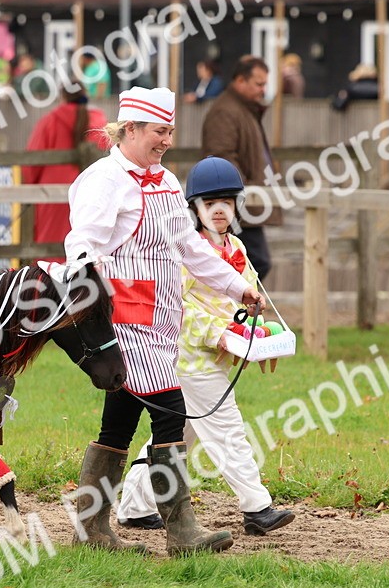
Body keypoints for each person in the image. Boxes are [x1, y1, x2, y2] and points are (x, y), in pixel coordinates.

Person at [65, 86, 264, 556]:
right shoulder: (103, 180)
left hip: (160, 323)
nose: (167, 140)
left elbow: (191, 249)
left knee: (119, 422)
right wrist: (88, 306)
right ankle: (182, 533)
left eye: (171, 131)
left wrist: (238, 287)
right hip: (121, 322)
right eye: (160, 131)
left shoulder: (169, 183)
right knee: (171, 409)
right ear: (129, 129)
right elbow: (82, 245)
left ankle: (91, 530)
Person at [115, 156, 295, 536]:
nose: (218, 210)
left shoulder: (238, 249)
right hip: (189, 359)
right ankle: (256, 506)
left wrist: (259, 333)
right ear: (193, 208)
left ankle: (134, 505)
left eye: (226, 202)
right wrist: (219, 333)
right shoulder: (186, 252)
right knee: (228, 429)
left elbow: (244, 302)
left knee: (178, 436)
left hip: (218, 356)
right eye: (209, 202)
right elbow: (178, 307)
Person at [200, 55, 279, 279]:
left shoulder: (241, 109)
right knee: (253, 263)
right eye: (259, 83)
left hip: (243, 203)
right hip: (237, 205)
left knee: (246, 264)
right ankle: (234, 310)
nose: (263, 90)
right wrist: (241, 192)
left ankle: (235, 309)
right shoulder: (226, 112)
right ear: (240, 81)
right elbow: (221, 158)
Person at [20, 82, 108, 261]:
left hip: (51, 195)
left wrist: (29, 189)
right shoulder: (100, 123)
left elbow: (31, 162)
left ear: (63, 97)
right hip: (92, 193)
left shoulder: (50, 120)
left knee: (49, 251)